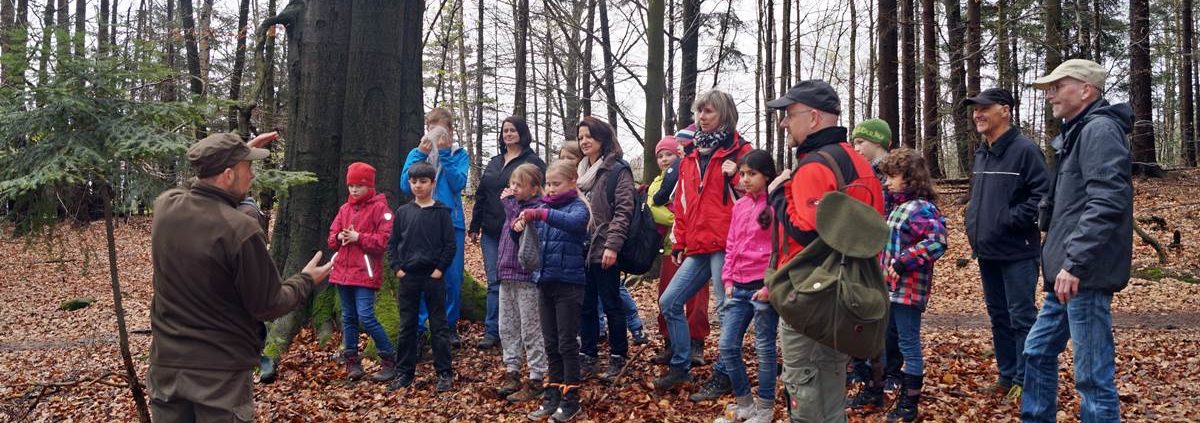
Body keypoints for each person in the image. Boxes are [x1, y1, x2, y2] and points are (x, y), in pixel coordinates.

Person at [148, 133, 332, 421]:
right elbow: (268, 304)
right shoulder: (240, 230)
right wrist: (306, 279)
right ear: (228, 175)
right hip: (220, 375)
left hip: (166, 369)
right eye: (248, 168)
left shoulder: (165, 208)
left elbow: (195, 187)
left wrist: (235, 153)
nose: (253, 176)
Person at [765, 80, 884, 422]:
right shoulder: (855, 160)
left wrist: (777, 196)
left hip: (814, 295)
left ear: (814, 118)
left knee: (807, 389)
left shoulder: (815, 165)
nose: (784, 123)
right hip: (845, 292)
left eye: (789, 114)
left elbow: (810, 235)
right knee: (829, 389)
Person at [1023, 58, 1132, 423]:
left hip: (1083, 275)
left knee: (1092, 377)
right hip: (1066, 277)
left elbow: (1108, 201)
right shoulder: (1077, 131)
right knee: (1037, 352)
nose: (1050, 94)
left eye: (1058, 86)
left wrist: (1075, 264)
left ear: (1086, 90)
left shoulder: (1099, 130)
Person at [655, 90, 752, 392]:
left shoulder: (742, 152)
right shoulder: (690, 156)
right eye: (700, 112)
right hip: (697, 245)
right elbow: (682, 204)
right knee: (669, 302)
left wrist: (737, 176)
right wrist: (680, 241)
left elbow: (761, 197)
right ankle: (681, 366)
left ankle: (724, 374)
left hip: (728, 243)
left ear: (724, 114)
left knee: (725, 309)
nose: (702, 117)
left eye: (709, 111)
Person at [962, 87, 1051, 400]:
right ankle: (1006, 375)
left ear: (1006, 110)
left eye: (984, 108)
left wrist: (1007, 219)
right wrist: (972, 217)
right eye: (975, 109)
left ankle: (1026, 380)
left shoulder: (1025, 150)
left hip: (1018, 251)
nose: (978, 114)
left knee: (1021, 317)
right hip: (987, 251)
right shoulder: (982, 151)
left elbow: (1043, 197)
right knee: (998, 316)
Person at [849, 148, 948, 422]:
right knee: (879, 341)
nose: (887, 182)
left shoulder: (921, 209)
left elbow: (937, 241)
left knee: (908, 343)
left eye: (892, 176)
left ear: (910, 177)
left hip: (908, 291)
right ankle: (874, 390)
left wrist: (905, 261)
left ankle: (909, 402)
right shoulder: (896, 207)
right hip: (887, 290)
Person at [516, 159, 592, 422]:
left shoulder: (579, 208)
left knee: (567, 343)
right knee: (550, 343)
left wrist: (539, 214)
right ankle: (553, 394)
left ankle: (572, 398)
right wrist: (520, 227)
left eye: (556, 184)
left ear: (573, 182)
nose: (550, 189)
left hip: (569, 284)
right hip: (545, 282)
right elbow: (533, 241)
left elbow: (571, 223)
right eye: (548, 183)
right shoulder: (543, 208)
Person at [710, 149, 779, 423]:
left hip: (762, 287)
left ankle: (765, 408)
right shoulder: (739, 205)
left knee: (764, 348)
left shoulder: (776, 206)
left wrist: (771, 285)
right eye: (743, 174)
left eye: (752, 174)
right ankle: (745, 404)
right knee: (727, 346)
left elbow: (781, 249)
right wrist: (727, 279)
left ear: (767, 175)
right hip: (737, 286)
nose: (745, 179)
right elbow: (731, 244)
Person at [471, 116, 547, 349]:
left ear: (522, 133)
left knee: (523, 283)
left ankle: (526, 333)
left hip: (521, 231)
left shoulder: (533, 161)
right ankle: (493, 330)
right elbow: (482, 194)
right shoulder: (494, 162)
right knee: (495, 281)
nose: (508, 134)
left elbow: (540, 194)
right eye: (505, 130)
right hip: (492, 230)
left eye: (513, 130)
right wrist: (475, 224)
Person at [401, 111, 470, 348]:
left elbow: (458, 183)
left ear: (450, 132)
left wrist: (444, 154)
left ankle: (449, 327)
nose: (437, 135)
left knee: (452, 277)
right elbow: (404, 185)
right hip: (421, 221)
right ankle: (420, 329)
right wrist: (421, 153)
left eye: (442, 131)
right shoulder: (416, 154)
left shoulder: (459, 155)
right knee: (420, 274)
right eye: (433, 130)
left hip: (452, 222)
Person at [574, 116, 636, 382]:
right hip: (581, 249)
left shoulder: (617, 170)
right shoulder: (579, 171)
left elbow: (624, 211)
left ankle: (618, 356)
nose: (584, 141)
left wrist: (613, 246)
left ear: (602, 138)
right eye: (580, 137)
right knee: (586, 305)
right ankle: (588, 354)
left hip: (605, 248)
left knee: (611, 304)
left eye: (589, 136)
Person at [387, 161, 457, 392]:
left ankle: (444, 373)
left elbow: (449, 245)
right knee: (407, 326)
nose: (418, 186)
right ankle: (404, 373)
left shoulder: (441, 212)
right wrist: (397, 268)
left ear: (432, 183)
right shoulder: (403, 212)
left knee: (438, 325)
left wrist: (439, 270)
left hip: (433, 278)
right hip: (408, 277)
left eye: (423, 181)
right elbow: (393, 244)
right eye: (414, 181)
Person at [326, 162, 397, 382]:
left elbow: (384, 241)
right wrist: (339, 237)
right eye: (351, 185)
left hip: (365, 273)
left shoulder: (380, 208)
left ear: (369, 186)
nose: (354, 190)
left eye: (359, 185)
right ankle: (352, 361)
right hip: (342, 272)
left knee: (366, 315)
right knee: (349, 317)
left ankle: (389, 358)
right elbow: (332, 236)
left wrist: (360, 238)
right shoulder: (344, 209)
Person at [648, 134, 712, 368]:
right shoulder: (657, 183)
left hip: (695, 247)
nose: (665, 160)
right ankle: (670, 343)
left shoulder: (693, 174)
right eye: (660, 156)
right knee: (666, 295)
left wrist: (686, 221)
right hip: (669, 248)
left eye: (669, 155)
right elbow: (653, 209)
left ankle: (696, 343)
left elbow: (699, 205)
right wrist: (681, 220)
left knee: (697, 298)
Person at [846, 118, 895, 388]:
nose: (857, 148)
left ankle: (883, 372)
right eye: (854, 142)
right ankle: (862, 368)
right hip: (863, 251)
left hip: (884, 255)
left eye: (861, 142)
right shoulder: (861, 173)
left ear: (877, 141)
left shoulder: (891, 176)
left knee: (881, 316)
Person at [494, 164, 549, 403]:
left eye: (519, 185)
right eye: (512, 183)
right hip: (506, 276)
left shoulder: (538, 209)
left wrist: (510, 205)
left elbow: (523, 231)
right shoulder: (514, 207)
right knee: (507, 326)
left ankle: (537, 376)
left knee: (531, 328)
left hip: (527, 278)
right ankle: (512, 371)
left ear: (535, 189)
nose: (513, 188)